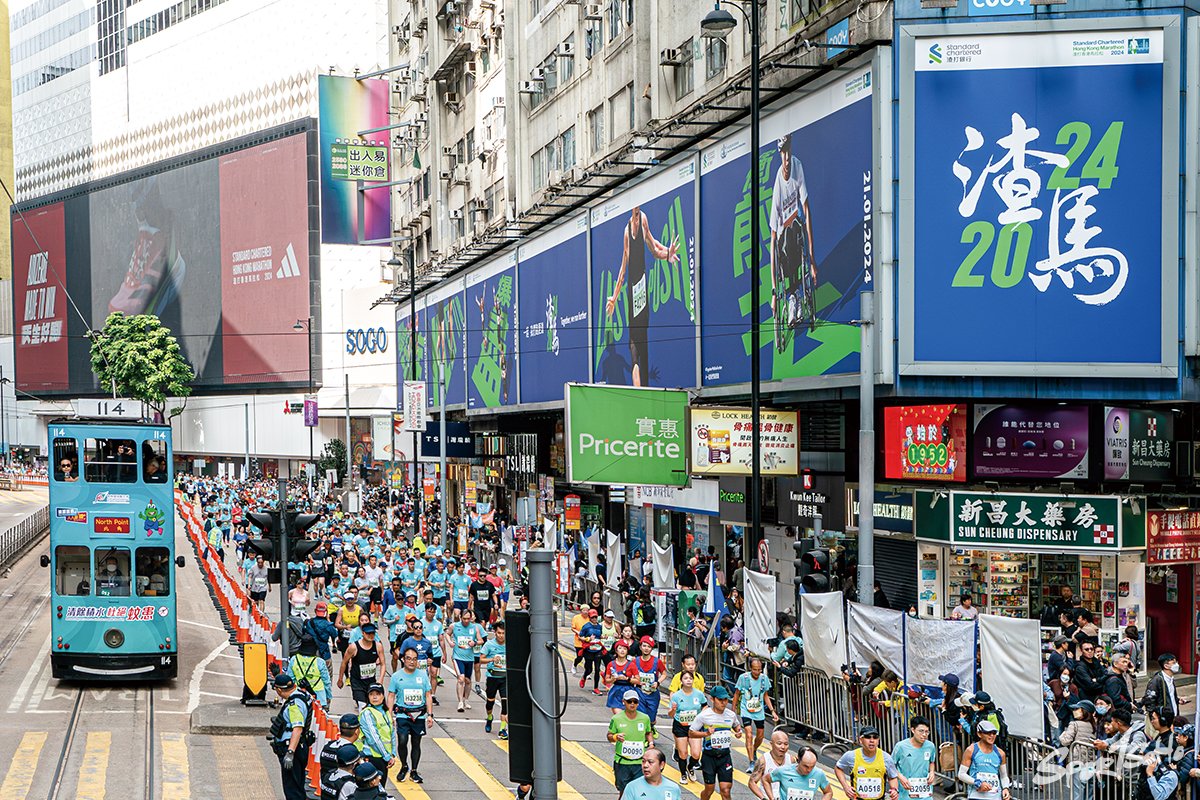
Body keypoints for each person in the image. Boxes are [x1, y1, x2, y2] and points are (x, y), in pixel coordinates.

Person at [603, 204, 681, 386]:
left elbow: (653, 246)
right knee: (636, 343)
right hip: (637, 288)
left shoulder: (640, 221)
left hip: (637, 288)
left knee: (637, 341)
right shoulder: (628, 230)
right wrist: (614, 297)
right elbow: (630, 262)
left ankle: (641, 387)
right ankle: (640, 387)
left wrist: (667, 253)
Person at [767, 132, 816, 332]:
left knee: (795, 227)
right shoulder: (778, 183)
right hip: (783, 243)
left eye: (789, 152)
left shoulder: (797, 167)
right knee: (784, 237)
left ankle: (796, 294)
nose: (786, 159)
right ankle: (791, 297)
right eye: (783, 154)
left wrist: (812, 260)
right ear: (779, 154)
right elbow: (772, 241)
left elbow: (806, 210)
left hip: (795, 231)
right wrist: (773, 291)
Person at [387, 647, 434, 784]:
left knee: (416, 742)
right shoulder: (396, 676)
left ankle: (414, 770)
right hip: (403, 714)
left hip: (419, 715)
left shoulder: (423, 675)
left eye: (414, 659)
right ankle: (404, 766)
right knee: (402, 741)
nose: (412, 662)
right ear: (403, 659)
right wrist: (389, 715)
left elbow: (428, 695)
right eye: (408, 658)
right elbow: (391, 696)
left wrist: (430, 715)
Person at [689, 685, 742, 800]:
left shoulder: (731, 715)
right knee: (709, 790)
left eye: (725, 700)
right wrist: (706, 734)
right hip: (709, 757)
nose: (723, 703)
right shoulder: (704, 715)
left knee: (725, 790)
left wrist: (738, 732)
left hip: (725, 757)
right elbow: (691, 733)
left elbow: (736, 726)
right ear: (712, 699)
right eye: (720, 700)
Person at [269, 673, 314, 800]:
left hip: (292, 748)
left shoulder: (294, 705)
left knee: (292, 789)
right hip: (301, 745)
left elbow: (297, 729)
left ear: (278, 690)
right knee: (297, 785)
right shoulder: (303, 694)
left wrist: (290, 752)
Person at [733, 656, 779, 768]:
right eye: (755, 669)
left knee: (760, 736)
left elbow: (766, 696)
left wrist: (773, 711)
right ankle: (751, 761)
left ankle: (754, 749)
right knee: (748, 733)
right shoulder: (743, 678)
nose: (757, 672)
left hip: (758, 710)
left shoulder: (764, 679)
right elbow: (737, 693)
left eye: (759, 669)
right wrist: (733, 710)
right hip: (746, 709)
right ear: (750, 668)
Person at [610, 689, 656, 798]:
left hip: (639, 763)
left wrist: (651, 744)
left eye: (635, 702)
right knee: (624, 792)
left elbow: (648, 732)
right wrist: (616, 737)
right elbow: (609, 736)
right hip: (622, 762)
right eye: (629, 701)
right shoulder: (616, 719)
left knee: (639, 792)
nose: (632, 704)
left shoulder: (644, 718)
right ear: (623, 702)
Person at [835, 726, 899, 800]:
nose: (872, 740)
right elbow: (838, 768)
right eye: (868, 737)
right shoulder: (851, 756)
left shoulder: (886, 758)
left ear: (878, 740)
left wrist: (894, 790)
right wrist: (845, 787)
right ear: (861, 740)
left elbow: (892, 777)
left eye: (875, 737)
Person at [667, 670, 706, 783]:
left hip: (695, 727)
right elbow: (670, 714)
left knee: (696, 753)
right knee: (683, 753)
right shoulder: (676, 696)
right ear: (681, 681)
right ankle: (683, 774)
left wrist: (702, 716)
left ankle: (690, 768)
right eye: (685, 678)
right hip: (680, 726)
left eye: (690, 678)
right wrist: (673, 710)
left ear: (693, 680)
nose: (688, 680)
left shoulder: (699, 694)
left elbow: (705, 706)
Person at [957, 721, 1010, 800]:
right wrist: (978, 783)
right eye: (987, 733)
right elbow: (961, 774)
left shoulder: (1000, 753)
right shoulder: (971, 750)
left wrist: (1005, 788)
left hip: (995, 797)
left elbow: (1004, 776)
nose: (991, 736)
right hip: (976, 796)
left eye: (994, 733)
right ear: (979, 734)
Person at [339, 623, 386, 710]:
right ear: (363, 633)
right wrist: (340, 679)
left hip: (371, 681)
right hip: (357, 682)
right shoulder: (354, 647)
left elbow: (383, 664)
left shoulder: (378, 646)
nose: (371, 636)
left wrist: (381, 679)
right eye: (368, 633)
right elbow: (344, 662)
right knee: (362, 706)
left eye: (373, 633)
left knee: (373, 706)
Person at [357, 683, 396, 787]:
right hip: (372, 757)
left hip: (383, 757)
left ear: (383, 696)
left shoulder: (386, 712)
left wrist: (393, 754)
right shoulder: (367, 713)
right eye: (371, 694)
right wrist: (387, 756)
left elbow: (391, 733)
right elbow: (373, 739)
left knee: (381, 787)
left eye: (377, 694)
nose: (374, 697)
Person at [764, 745, 834, 800]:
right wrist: (772, 798)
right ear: (798, 760)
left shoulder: (819, 774)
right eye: (805, 766)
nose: (809, 770)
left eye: (812, 766)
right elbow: (765, 780)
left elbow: (828, 792)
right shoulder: (783, 771)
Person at [892, 716, 936, 800]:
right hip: (906, 792)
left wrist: (932, 772)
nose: (924, 735)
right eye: (921, 731)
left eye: (927, 732)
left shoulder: (930, 746)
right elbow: (891, 766)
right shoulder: (901, 746)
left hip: (925, 792)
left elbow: (931, 761)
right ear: (913, 730)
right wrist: (900, 777)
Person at [450, 607, 486, 712]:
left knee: (468, 681)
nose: (466, 621)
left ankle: (466, 700)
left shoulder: (475, 628)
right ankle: (460, 701)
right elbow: (447, 634)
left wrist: (474, 643)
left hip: (469, 658)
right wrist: (450, 642)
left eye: (468, 619)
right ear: (460, 617)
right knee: (461, 679)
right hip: (457, 657)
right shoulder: (454, 626)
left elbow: (481, 640)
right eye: (464, 618)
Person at [481, 620, 510, 737]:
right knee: (490, 702)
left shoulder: (510, 644)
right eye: (499, 633)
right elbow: (481, 659)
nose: (501, 636)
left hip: (505, 677)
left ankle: (502, 730)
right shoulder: (489, 645)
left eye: (503, 633)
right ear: (495, 632)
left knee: (505, 703)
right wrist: (492, 660)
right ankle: (489, 717)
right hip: (493, 677)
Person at [748, 730, 796, 800]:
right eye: (779, 743)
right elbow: (752, 783)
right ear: (771, 744)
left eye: (786, 744)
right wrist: (763, 798)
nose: (783, 747)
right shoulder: (763, 760)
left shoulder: (791, 760)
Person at [289, 638, 332, 708]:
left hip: (299, 695)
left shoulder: (294, 660)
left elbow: (291, 679)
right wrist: (328, 696)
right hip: (318, 697)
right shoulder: (320, 662)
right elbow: (326, 682)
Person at [1143, 653, 1188, 719]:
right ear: (1166, 666)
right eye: (1173, 663)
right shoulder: (1156, 681)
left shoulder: (1170, 679)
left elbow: (1168, 696)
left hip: (1173, 717)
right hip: (1163, 720)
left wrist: (1177, 700)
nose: (1177, 665)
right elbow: (1149, 701)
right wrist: (1155, 718)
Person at [319, 713, 362, 784]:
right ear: (357, 731)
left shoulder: (328, 746)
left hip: (325, 789)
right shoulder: (350, 751)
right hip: (344, 791)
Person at [633, 635, 667, 723]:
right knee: (641, 717)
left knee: (651, 719)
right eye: (644, 646)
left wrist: (658, 682)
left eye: (649, 646)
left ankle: (651, 727)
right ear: (640, 647)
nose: (646, 648)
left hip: (652, 693)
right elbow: (630, 675)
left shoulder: (657, 661)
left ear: (651, 648)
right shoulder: (635, 661)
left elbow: (664, 674)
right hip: (639, 692)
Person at [580, 608, 607, 694]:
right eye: (592, 617)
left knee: (597, 669)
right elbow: (580, 636)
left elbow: (599, 635)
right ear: (589, 617)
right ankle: (584, 677)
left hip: (597, 649)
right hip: (589, 650)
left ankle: (596, 688)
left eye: (595, 617)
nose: (594, 619)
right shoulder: (586, 626)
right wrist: (588, 639)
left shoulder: (599, 626)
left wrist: (603, 637)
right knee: (589, 669)